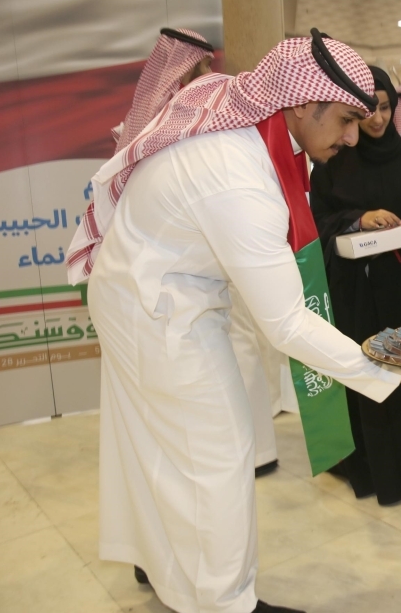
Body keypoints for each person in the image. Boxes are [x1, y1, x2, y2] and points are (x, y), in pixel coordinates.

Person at [67, 31, 401, 613]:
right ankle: (225, 601)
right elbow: (286, 323)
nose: (350, 136)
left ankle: (161, 559)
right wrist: (383, 368)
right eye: (344, 119)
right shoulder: (238, 174)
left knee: (158, 442)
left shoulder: (245, 118)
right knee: (219, 451)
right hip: (155, 306)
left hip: (141, 288)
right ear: (301, 102)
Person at [111, 27, 284, 476]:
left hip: (226, 253)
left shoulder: (216, 115)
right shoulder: (150, 124)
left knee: (244, 343)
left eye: (205, 68)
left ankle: (260, 448)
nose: (200, 79)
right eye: (193, 71)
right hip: (177, 274)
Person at [311, 66, 401, 505]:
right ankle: (380, 474)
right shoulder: (334, 161)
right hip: (359, 294)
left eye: (382, 107)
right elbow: (318, 223)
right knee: (371, 375)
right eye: (366, 109)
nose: (375, 119)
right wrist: (361, 220)